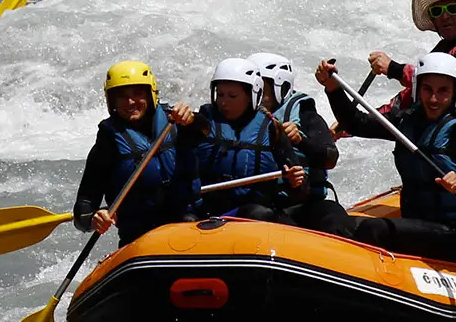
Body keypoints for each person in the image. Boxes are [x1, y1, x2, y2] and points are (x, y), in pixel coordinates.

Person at [313, 53, 456, 264]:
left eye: (443, 91)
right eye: (427, 89)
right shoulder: (407, 120)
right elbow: (355, 123)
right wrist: (332, 88)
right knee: (330, 218)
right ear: (417, 89)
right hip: (417, 222)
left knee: (372, 228)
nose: (433, 99)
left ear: (455, 92)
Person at [73, 61, 198, 246]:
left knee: (188, 222)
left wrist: (193, 120)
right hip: (138, 234)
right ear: (112, 101)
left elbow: (207, 130)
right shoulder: (108, 141)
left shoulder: (178, 121)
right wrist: (94, 219)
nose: (130, 102)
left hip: (186, 223)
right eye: (122, 96)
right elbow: (84, 205)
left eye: (138, 94)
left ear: (151, 94)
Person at [183, 58, 304, 220]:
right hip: (205, 215)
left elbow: (300, 189)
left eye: (232, 96)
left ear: (251, 96)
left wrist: (295, 182)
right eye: (220, 94)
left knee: (262, 214)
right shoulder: (203, 122)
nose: (223, 102)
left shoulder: (272, 129)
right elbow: (190, 127)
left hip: (253, 217)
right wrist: (182, 118)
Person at [245, 51, 341, 227]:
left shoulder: (305, 114)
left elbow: (330, 158)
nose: (254, 92)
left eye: (260, 86)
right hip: (260, 207)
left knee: (332, 215)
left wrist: (300, 141)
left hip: (304, 205)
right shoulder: (240, 118)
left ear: (280, 85)